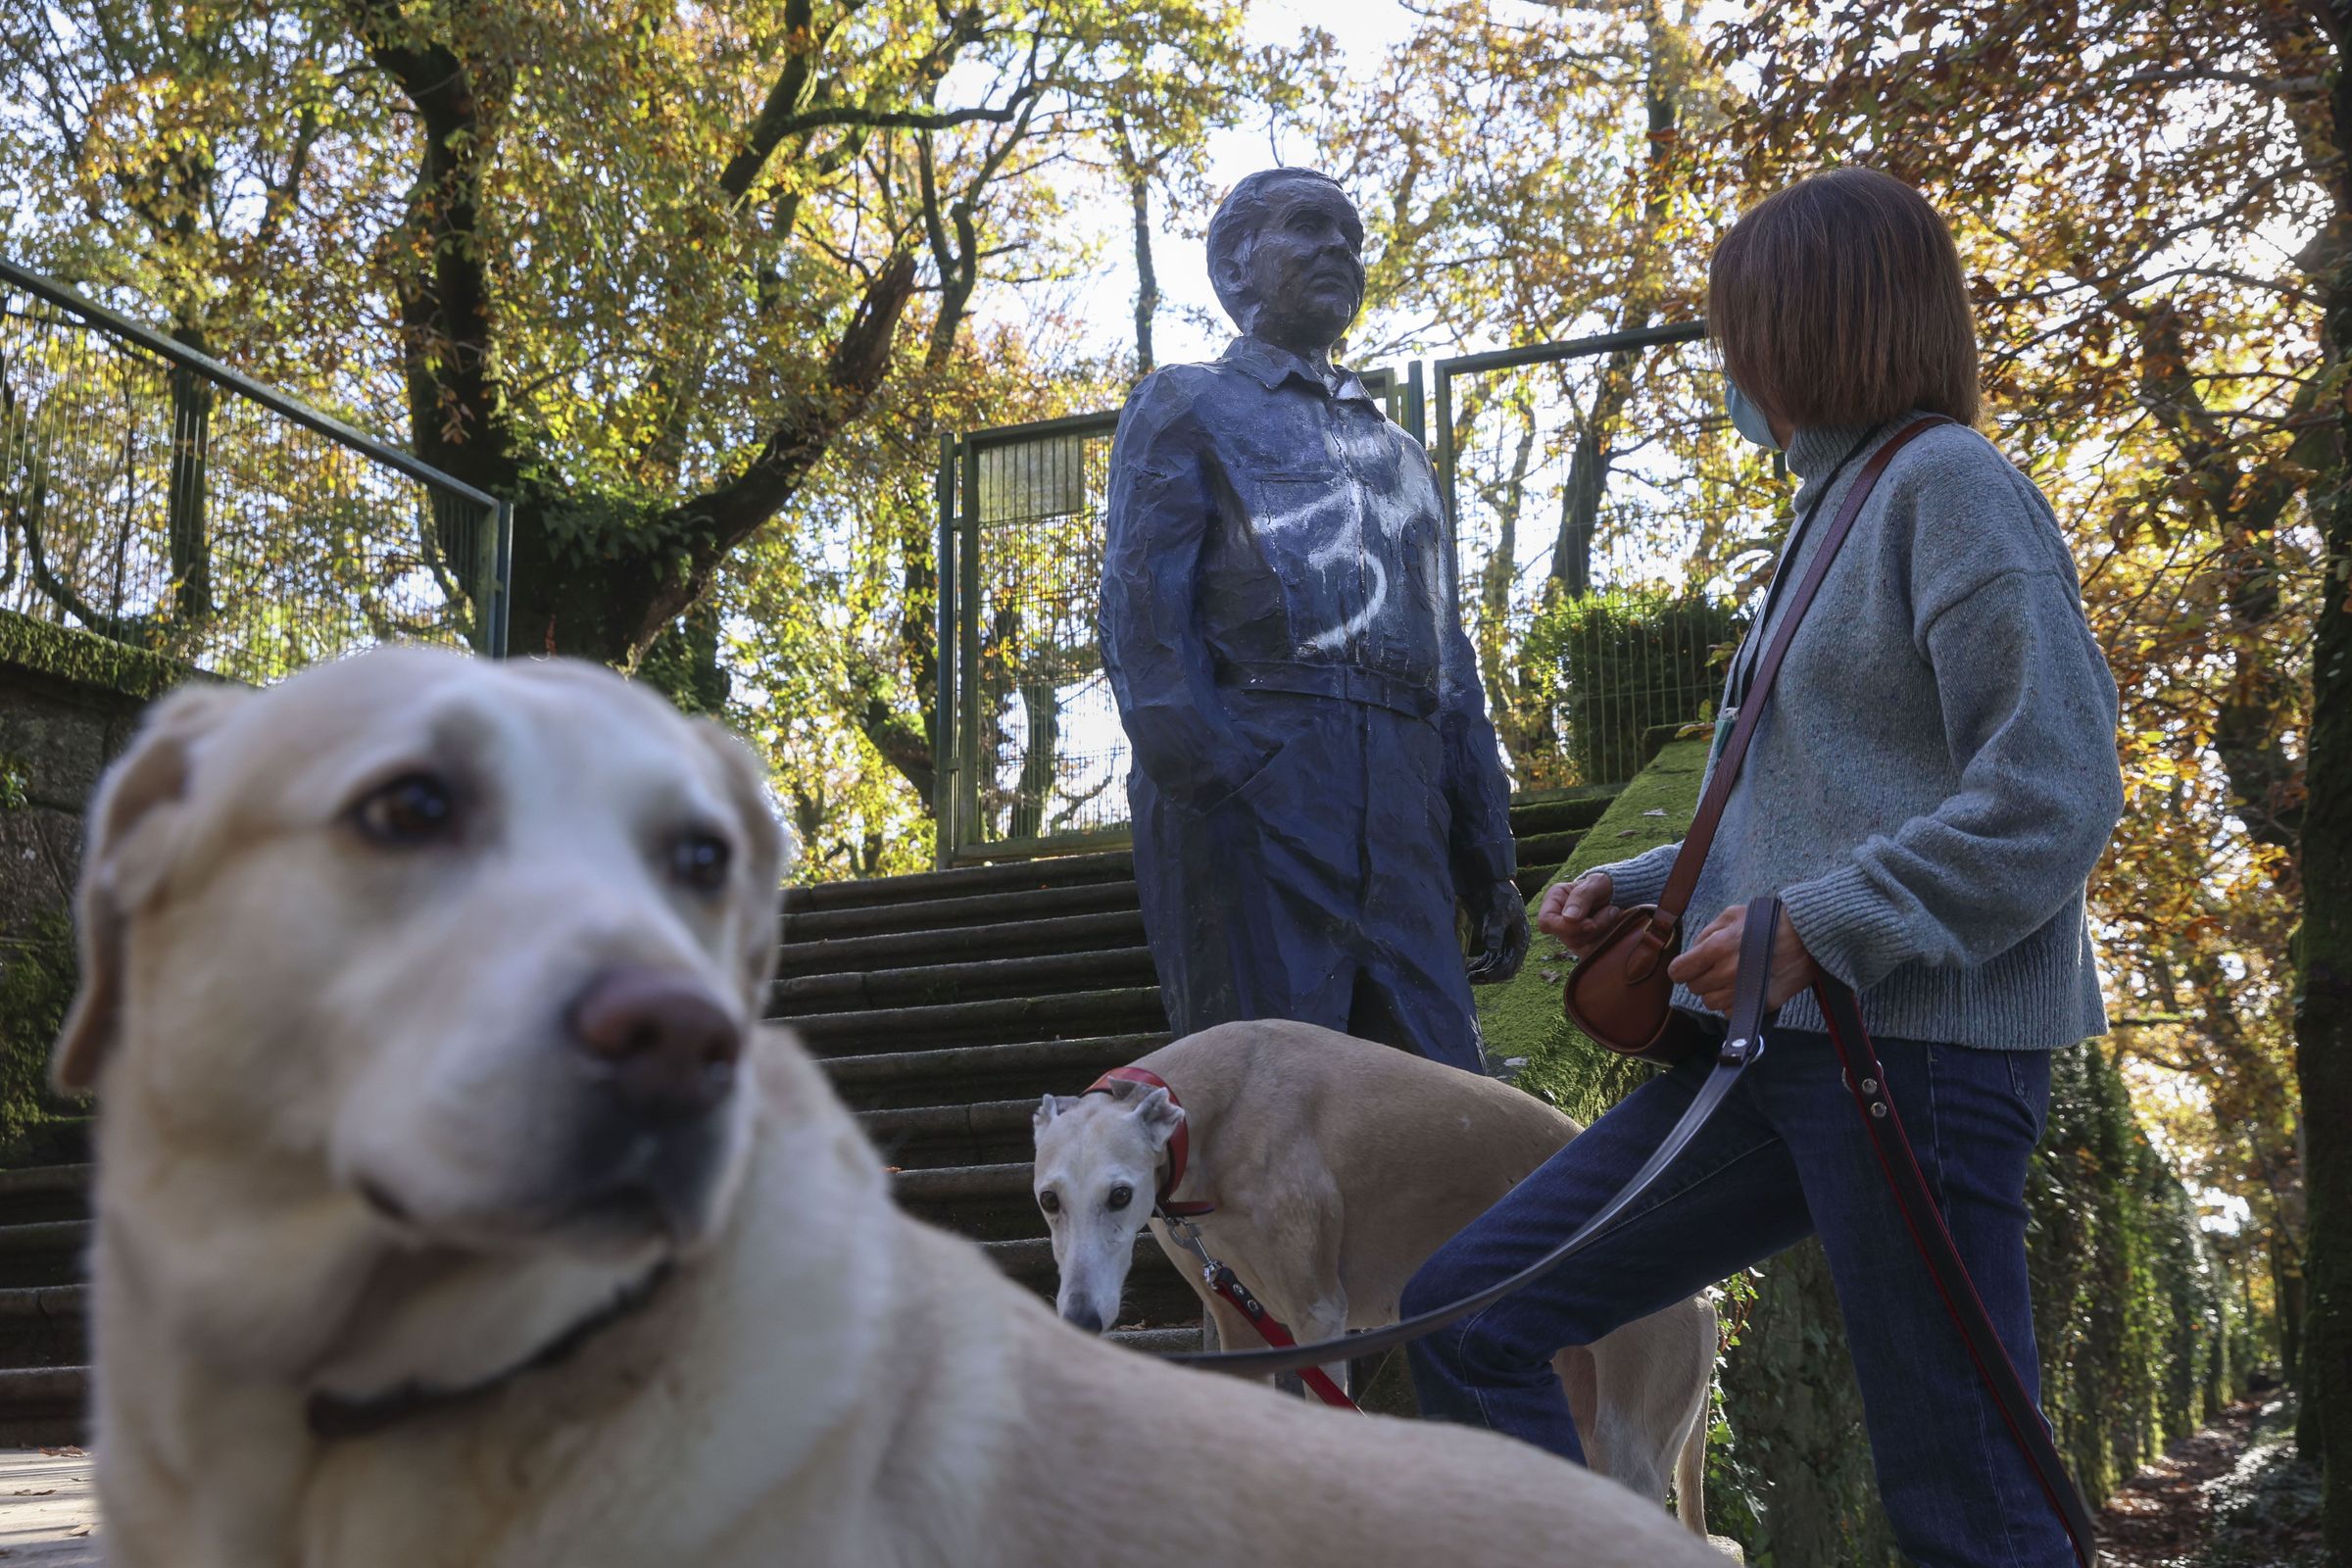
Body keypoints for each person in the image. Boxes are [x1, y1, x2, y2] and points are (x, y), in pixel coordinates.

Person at [1399, 168, 2124, 1567]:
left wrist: (1828, 925)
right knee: (1471, 1317)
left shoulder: (1953, 489)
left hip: (1915, 1057)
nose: (1727, 362)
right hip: (1782, 1053)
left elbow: (2055, 792)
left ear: (1806, 325)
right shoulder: (1829, 511)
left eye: (1739, 326)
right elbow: (1815, 809)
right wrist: (1640, 881)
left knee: (1964, 1495)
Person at [1097, 168, 1527, 1074]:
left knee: (1450, 1108)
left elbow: (1453, 667)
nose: (1339, 247)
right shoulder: (1184, 404)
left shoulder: (1402, 455)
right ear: (1235, 264)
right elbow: (1146, 620)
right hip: (1260, 796)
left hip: (1405, 817)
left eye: (1351, 236)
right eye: (1308, 227)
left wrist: (1488, 854)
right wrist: (1227, 787)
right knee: (1267, 1107)